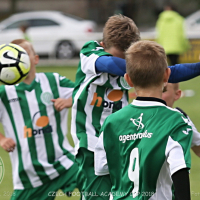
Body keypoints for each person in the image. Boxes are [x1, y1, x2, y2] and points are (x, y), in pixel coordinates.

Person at [71, 14, 200, 200]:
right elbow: (112, 64)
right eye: (121, 57)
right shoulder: (90, 52)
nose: (125, 66)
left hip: (124, 138)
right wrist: (141, 65)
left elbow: (163, 74)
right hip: (91, 145)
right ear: (103, 45)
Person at [95, 40, 192, 200]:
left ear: (128, 79)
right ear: (167, 75)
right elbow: (180, 174)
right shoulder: (175, 121)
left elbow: (102, 169)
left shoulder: (111, 122)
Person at [0, 39, 78, 200]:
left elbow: (84, 93)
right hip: (30, 174)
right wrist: (1, 139)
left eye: (24, 53)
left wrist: (70, 101)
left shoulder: (53, 81)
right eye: (15, 54)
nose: (18, 58)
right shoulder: (5, 93)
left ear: (35, 59)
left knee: (97, 182)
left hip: (64, 162)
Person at [162, 82, 200, 157]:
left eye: (163, 91)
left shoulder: (181, 119)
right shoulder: (137, 118)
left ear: (177, 95)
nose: (156, 95)